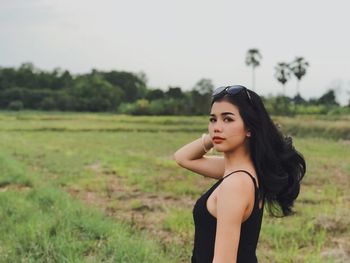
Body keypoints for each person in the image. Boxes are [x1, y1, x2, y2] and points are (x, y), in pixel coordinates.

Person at [173, 85, 306, 263]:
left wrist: (217, 133)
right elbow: (182, 158)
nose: (217, 127)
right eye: (213, 120)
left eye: (228, 119)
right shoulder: (241, 171)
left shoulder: (235, 183)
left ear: (249, 128)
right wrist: (213, 137)